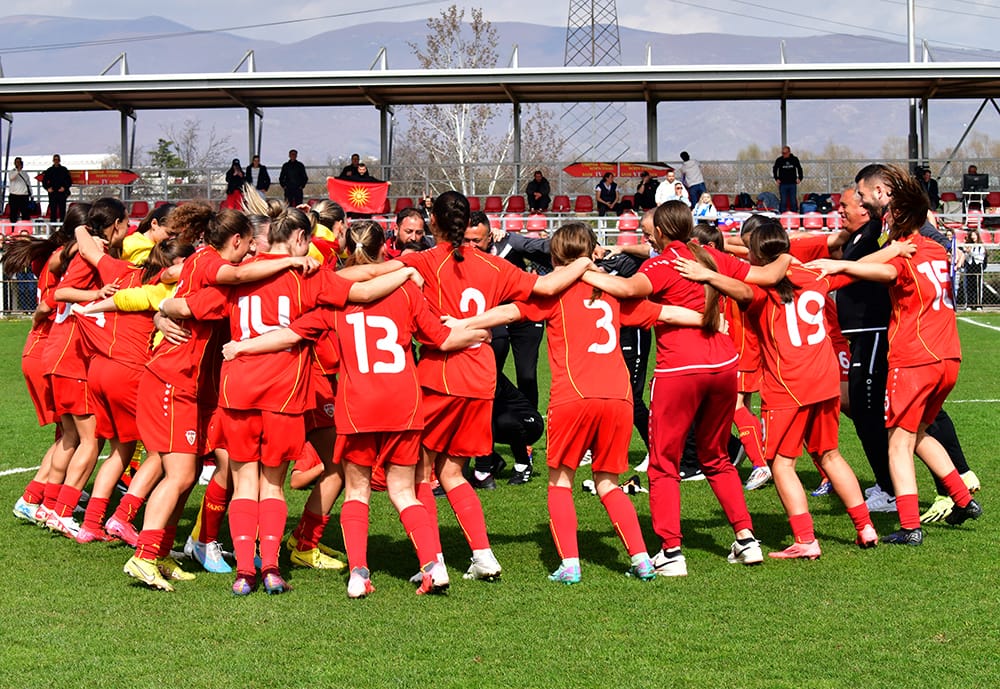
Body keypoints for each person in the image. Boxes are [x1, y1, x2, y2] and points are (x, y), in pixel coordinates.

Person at [223, 219, 486, 598]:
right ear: (384, 249)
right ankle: (433, 565)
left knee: (355, 492)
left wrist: (241, 347)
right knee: (404, 491)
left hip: (356, 405)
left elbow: (291, 333)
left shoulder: (332, 300)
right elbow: (442, 338)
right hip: (403, 404)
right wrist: (479, 331)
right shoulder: (406, 293)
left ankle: (357, 574)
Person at [339, 190, 592, 583]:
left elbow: (355, 277)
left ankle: (434, 560)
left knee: (422, 473)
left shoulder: (425, 260)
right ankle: (483, 555)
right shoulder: (494, 265)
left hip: (442, 373)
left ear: (433, 222)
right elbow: (544, 287)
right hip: (482, 377)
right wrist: (584, 264)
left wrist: (397, 272)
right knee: (454, 472)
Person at [451, 222, 702, 583]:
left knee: (560, 482)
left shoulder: (555, 292)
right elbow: (667, 314)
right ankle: (642, 559)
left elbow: (507, 314)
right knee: (608, 483)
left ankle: (570, 564)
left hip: (574, 395)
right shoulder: (612, 290)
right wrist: (709, 321)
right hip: (618, 398)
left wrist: (462, 324)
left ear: (554, 256)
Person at [580, 201, 788, 575]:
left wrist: (582, 271)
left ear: (660, 232)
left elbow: (626, 289)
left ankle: (671, 551)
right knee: (716, 456)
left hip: (679, 369)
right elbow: (762, 280)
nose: (647, 239)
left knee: (663, 463)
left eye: (649, 234)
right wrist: (790, 255)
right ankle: (746, 539)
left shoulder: (661, 265)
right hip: (724, 365)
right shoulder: (710, 256)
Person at [812, 164, 982, 545]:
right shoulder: (935, 248)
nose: (883, 222)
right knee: (918, 432)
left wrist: (835, 265)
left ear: (899, 217)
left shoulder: (902, 256)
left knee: (897, 441)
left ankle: (909, 526)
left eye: (888, 216)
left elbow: (872, 271)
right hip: (948, 357)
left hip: (915, 357)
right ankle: (962, 498)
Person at [712, 222, 878, 558]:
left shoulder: (760, 288)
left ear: (756, 254)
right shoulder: (816, 275)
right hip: (825, 379)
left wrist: (706, 270)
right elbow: (858, 269)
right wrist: (895, 250)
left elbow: (733, 282)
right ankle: (865, 526)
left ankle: (805, 539)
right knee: (830, 454)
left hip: (787, 384)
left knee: (781, 464)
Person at [957, 229, 987, 309]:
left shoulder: (981, 246)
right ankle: (969, 304)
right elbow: (966, 257)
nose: (973, 237)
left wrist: (970, 252)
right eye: (972, 235)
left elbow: (980, 256)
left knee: (978, 286)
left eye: (974, 235)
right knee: (969, 286)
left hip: (977, 266)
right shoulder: (968, 245)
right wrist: (967, 252)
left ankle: (978, 304)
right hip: (969, 266)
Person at [41, 154, 72, 223]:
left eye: (57, 159)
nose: (56, 161)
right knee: (53, 210)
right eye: (55, 159)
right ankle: (53, 226)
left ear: (59, 160)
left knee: (62, 210)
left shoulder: (64, 170)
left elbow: (69, 181)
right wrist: (47, 188)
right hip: (52, 193)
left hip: (62, 193)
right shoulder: (49, 170)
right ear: (53, 160)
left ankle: (63, 225)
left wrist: (64, 188)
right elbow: (44, 181)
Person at [772, 146, 803, 213]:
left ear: (789, 152)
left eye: (785, 153)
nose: (784, 154)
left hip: (792, 183)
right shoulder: (779, 160)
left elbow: (799, 168)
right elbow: (775, 169)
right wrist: (776, 178)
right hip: (783, 184)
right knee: (783, 201)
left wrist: (800, 178)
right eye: (783, 153)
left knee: (793, 200)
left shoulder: (794, 159)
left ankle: (794, 214)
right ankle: (782, 215)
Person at [7, 157, 33, 222]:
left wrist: (31, 193)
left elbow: (28, 184)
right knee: (13, 213)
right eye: (17, 162)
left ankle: (25, 227)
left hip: (24, 195)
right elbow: (11, 177)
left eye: (19, 162)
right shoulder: (12, 172)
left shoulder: (25, 173)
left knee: (25, 213)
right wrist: (17, 170)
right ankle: (13, 227)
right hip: (14, 195)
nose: (18, 163)